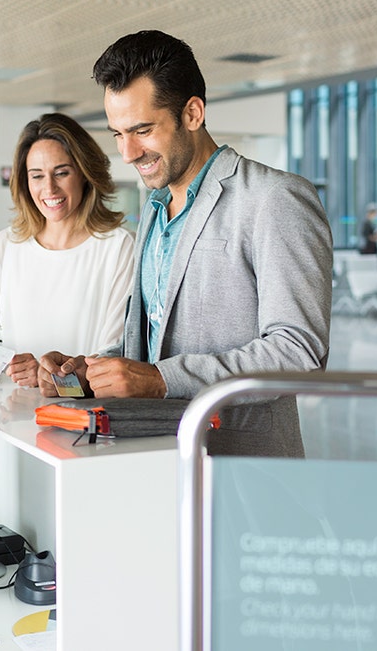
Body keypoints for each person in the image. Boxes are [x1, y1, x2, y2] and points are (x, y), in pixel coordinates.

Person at [37, 30, 333, 457]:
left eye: (141, 130)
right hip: (156, 461)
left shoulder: (274, 199)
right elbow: (154, 343)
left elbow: (299, 352)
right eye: (118, 133)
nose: (127, 152)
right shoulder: (155, 211)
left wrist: (161, 380)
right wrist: (92, 370)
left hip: (242, 465)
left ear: (192, 113)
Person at [0, 113, 135, 387]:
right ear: (24, 181)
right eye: (37, 176)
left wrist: (54, 379)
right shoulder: (6, 245)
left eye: (61, 172)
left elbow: (113, 360)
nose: (49, 188)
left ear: (84, 174)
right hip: (9, 417)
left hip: (83, 419)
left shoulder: (119, 247)